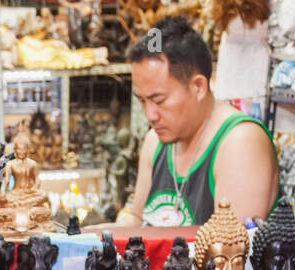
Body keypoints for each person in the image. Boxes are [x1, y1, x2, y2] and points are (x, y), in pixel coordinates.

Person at [118, 17, 278, 226]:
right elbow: (137, 219)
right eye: (142, 101)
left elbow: (230, 250)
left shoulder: (239, 143)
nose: (150, 115)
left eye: (159, 100)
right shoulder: (154, 142)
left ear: (198, 87)